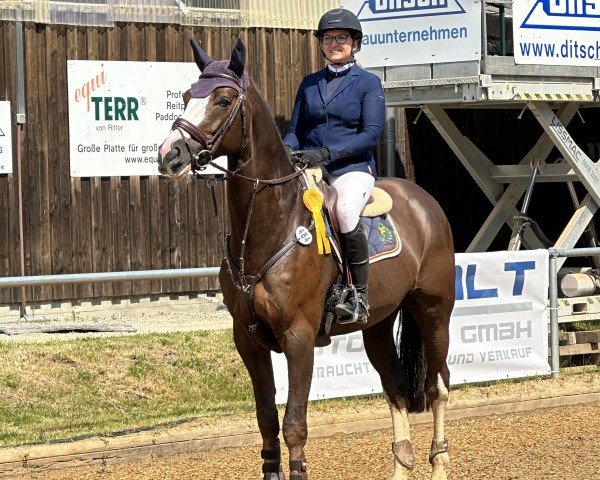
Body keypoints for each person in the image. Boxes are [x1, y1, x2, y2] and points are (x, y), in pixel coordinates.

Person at [283, 8, 385, 324]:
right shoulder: (309, 83)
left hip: (352, 169)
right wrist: (287, 150)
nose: (334, 43)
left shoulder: (368, 83)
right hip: (310, 167)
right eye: (328, 39)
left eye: (341, 38)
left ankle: (358, 295)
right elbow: (295, 130)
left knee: (342, 211)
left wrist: (327, 153)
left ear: (354, 44)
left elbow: (371, 134)